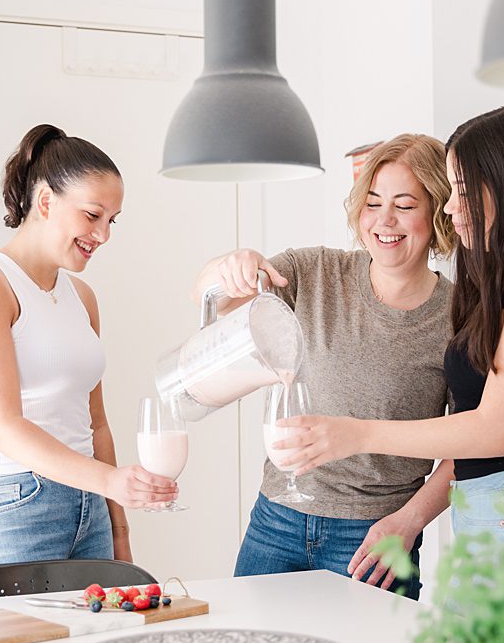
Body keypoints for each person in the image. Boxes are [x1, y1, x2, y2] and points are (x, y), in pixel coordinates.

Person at [266, 105, 504, 554]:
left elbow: (494, 431)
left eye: (461, 190)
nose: (450, 207)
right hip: (500, 514)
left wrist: (358, 433)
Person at [192, 134, 456, 597]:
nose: (384, 220)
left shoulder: (459, 315)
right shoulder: (313, 272)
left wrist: (410, 522)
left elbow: (471, 442)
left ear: (437, 213)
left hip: (376, 539)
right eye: (373, 203)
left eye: (404, 205)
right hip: (276, 519)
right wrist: (229, 266)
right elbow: (209, 299)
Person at [0, 124, 178, 569]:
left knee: (99, 638)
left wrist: (119, 528)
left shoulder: (81, 298)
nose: (103, 235)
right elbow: (4, 427)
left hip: (91, 504)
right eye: (92, 215)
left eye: (112, 221)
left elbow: (97, 424)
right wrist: (111, 481)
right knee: (22, 640)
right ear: (46, 201)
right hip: (10, 505)